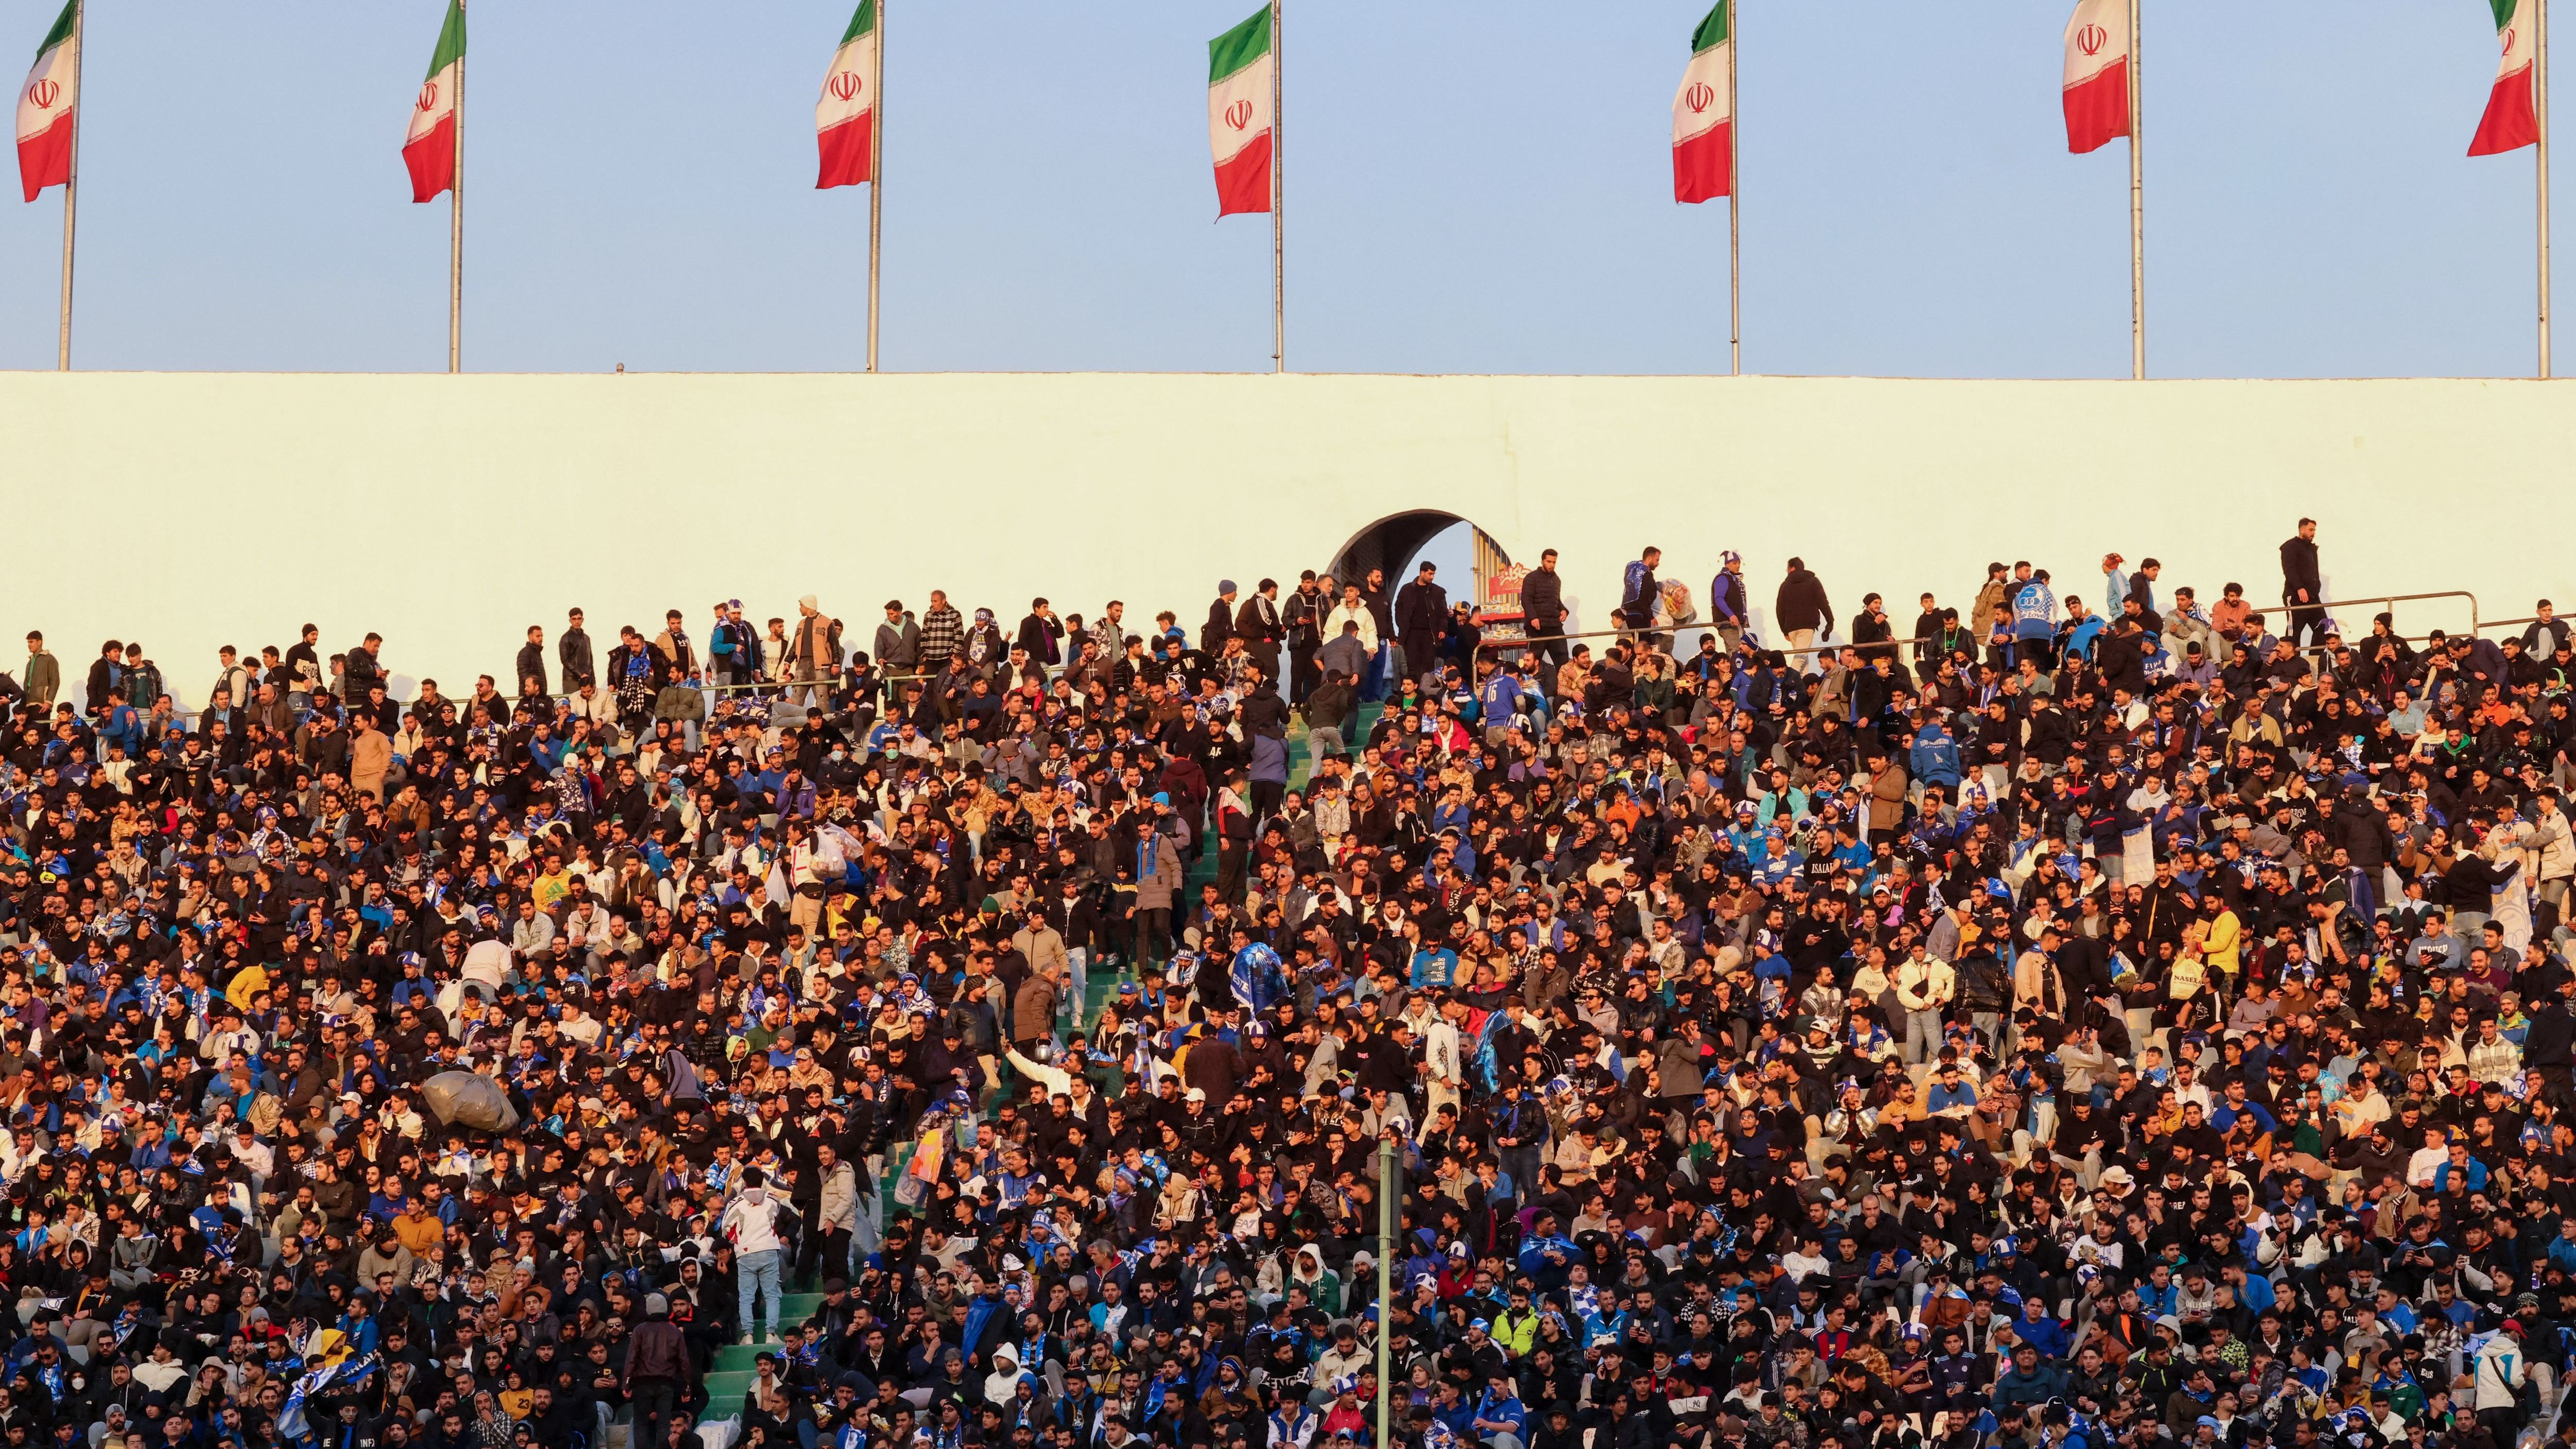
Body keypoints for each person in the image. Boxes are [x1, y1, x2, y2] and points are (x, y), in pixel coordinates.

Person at [2282, 516, 2324, 648]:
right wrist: (2300, 588)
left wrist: (2316, 589)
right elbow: (2290, 570)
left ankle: (2316, 657)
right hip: (2295, 595)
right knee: (2294, 631)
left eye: (2315, 530)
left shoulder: (2311, 549)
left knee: (2324, 627)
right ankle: (2292, 661)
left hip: (2313, 596)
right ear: (2302, 530)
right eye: (2311, 530)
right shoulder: (2290, 546)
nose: (2313, 533)